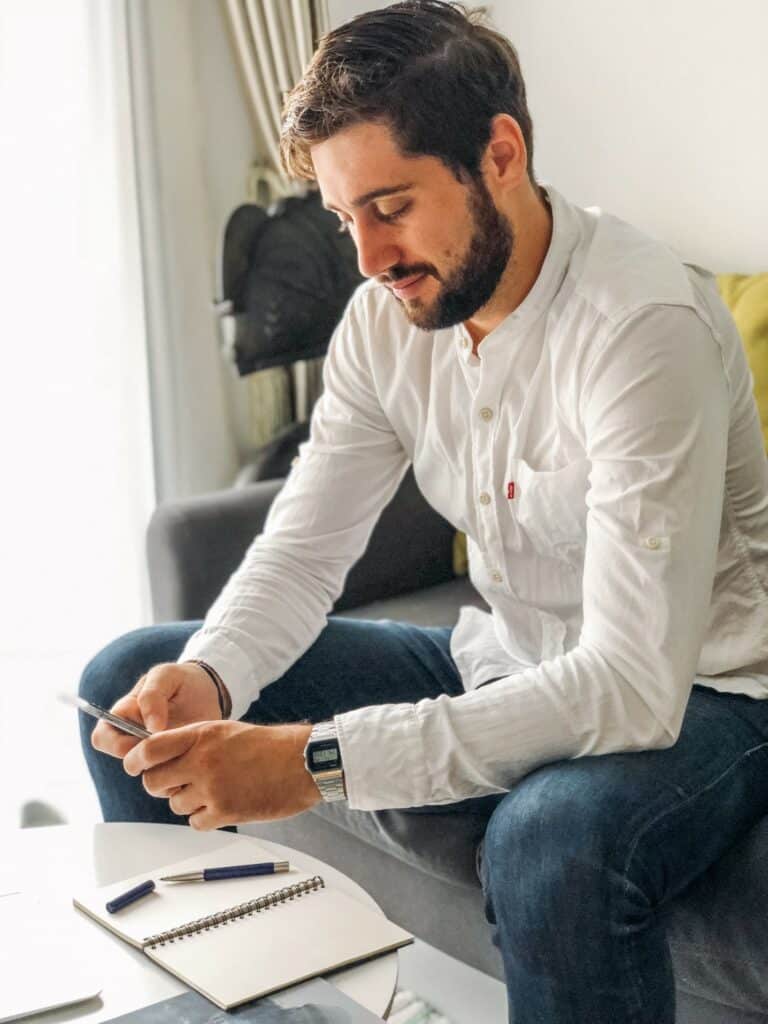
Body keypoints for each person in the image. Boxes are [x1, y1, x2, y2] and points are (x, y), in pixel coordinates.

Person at [80, 2, 768, 1020]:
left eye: (391, 206)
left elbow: (629, 686)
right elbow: (305, 549)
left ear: (500, 154)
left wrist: (315, 764)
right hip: (510, 654)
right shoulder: (389, 320)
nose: (366, 256)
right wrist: (213, 671)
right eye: (344, 215)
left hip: (709, 691)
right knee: (125, 679)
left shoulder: (640, 327)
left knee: (549, 842)